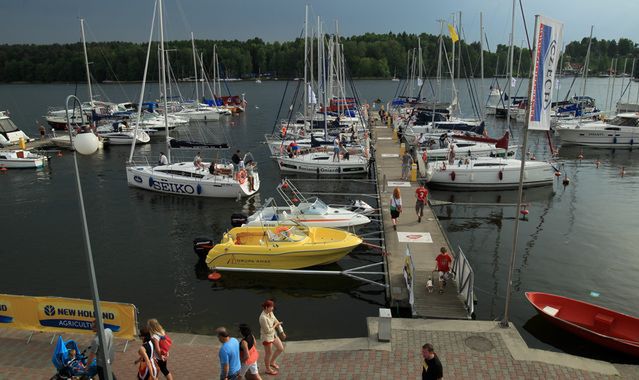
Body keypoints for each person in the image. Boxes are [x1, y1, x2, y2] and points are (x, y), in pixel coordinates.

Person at [259, 300, 285, 376]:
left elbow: (276, 321)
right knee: (268, 353)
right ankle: (268, 369)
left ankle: (272, 362)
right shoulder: (262, 318)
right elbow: (267, 331)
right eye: (271, 307)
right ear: (266, 307)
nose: (273, 308)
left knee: (280, 348)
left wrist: (281, 332)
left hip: (273, 334)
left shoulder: (270, 313)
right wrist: (275, 325)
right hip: (266, 337)